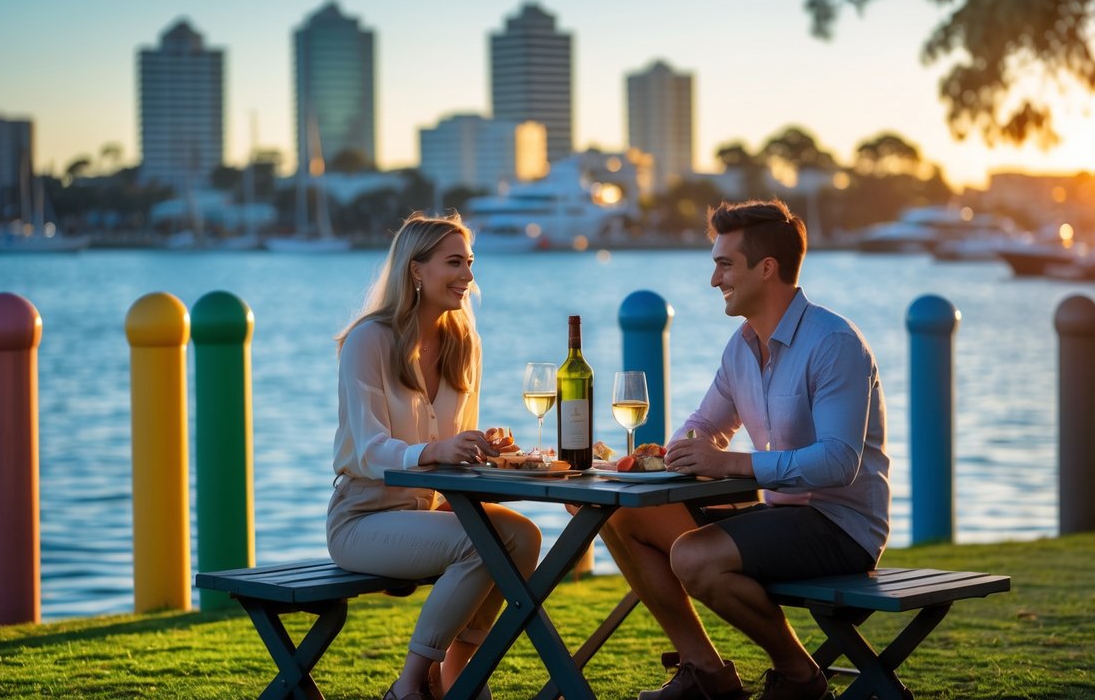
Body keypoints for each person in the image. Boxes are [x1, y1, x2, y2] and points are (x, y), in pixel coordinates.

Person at [603, 199, 890, 700]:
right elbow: (705, 425)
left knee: (694, 557)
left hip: (842, 528)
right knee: (621, 517)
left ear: (767, 268)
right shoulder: (740, 346)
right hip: (774, 517)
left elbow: (839, 462)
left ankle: (800, 678)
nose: (715, 280)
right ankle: (705, 670)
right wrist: (669, 453)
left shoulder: (834, 343)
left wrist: (730, 464)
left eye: (724, 264)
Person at [326, 212, 542, 700]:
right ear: (415, 270)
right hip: (362, 518)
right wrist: (437, 449)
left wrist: (483, 446)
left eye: (469, 263)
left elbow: (454, 446)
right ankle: (411, 686)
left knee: (524, 537)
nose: (467, 276)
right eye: (453, 263)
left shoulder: (465, 343)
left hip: (431, 512)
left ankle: (460, 680)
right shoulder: (369, 340)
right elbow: (368, 450)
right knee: (480, 545)